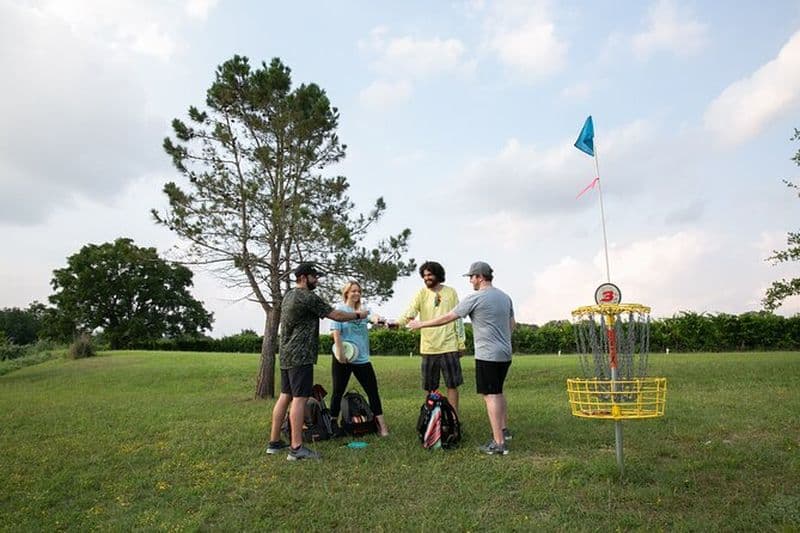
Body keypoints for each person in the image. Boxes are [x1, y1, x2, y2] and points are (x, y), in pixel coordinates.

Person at [408, 261, 515, 456]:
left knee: (490, 396)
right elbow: (512, 325)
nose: (471, 282)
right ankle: (504, 431)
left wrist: (421, 324)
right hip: (505, 354)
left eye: (472, 278)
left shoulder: (475, 297)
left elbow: (447, 317)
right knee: (498, 392)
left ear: (479, 277)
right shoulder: (505, 297)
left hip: (487, 355)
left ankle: (498, 443)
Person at [266, 263, 369, 461]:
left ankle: (274, 442)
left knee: (285, 396)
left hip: (286, 354)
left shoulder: (288, 295)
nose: (317, 280)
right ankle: (296, 448)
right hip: (301, 355)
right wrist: (359, 315)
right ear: (304, 277)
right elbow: (336, 315)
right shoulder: (307, 297)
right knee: (299, 398)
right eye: (314, 276)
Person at [396, 261, 465, 412]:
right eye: (424, 275)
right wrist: (396, 323)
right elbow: (410, 312)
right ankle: (431, 419)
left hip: (449, 346)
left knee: (452, 385)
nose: (427, 278)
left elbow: (458, 318)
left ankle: (454, 419)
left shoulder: (451, 292)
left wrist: (461, 343)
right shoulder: (421, 293)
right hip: (428, 348)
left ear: (438, 275)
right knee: (430, 387)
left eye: (430, 274)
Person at [329, 280, 390, 436]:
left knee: (373, 392)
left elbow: (373, 317)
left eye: (359, 291)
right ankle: (332, 425)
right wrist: (341, 355)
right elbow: (336, 333)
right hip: (343, 357)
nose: (356, 293)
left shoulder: (364, 310)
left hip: (362, 359)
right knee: (338, 391)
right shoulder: (340, 310)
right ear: (347, 293)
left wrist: (379, 320)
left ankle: (382, 427)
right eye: (353, 291)